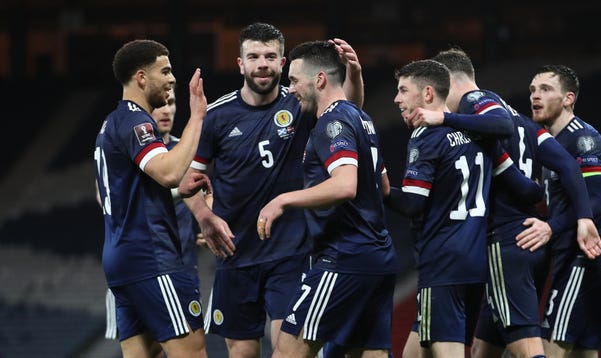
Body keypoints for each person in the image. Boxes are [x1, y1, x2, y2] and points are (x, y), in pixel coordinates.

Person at [403, 48, 601, 358]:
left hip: (505, 240)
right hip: (524, 241)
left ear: (450, 82)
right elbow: (565, 166)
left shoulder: (473, 104)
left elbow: (500, 128)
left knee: (525, 347)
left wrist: (443, 117)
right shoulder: (524, 121)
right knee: (484, 348)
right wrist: (576, 214)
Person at [181, 23, 365, 358]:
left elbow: (346, 109)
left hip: (291, 253)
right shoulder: (216, 115)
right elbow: (187, 182)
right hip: (235, 255)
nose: (262, 63)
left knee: (288, 351)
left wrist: (354, 73)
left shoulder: (300, 102)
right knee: (242, 354)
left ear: (283, 63)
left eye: (270, 56)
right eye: (253, 56)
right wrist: (204, 216)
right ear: (240, 64)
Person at [256, 40, 396, 358]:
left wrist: (283, 200)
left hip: (344, 258)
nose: (289, 89)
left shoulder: (332, 123)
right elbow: (383, 186)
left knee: (287, 351)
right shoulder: (362, 119)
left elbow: (345, 185)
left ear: (319, 79)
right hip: (378, 257)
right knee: (366, 353)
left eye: (293, 80)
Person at [94, 39, 232, 358]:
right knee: (193, 351)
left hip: (120, 258)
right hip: (151, 258)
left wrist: (178, 191)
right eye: (165, 71)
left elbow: (127, 189)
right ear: (142, 77)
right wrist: (198, 116)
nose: (172, 79)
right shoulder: (137, 121)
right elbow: (169, 172)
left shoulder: (110, 123)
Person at [528, 64, 601, 357]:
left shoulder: (582, 140)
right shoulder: (550, 143)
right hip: (580, 259)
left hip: (583, 258)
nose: (535, 96)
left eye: (545, 89)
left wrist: (551, 227)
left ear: (568, 99)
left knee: (547, 350)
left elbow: (594, 205)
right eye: (532, 90)